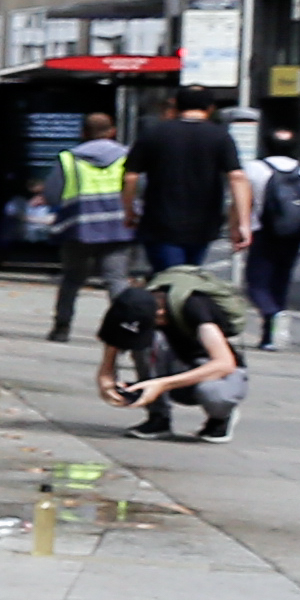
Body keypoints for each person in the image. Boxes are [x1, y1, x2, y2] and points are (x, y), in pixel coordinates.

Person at [97, 265, 256, 440]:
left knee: (214, 394)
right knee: (147, 343)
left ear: (161, 311)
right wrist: (106, 380)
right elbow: (113, 344)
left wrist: (161, 384)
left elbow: (224, 364)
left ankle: (220, 419)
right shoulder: (132, 304)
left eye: (158, 320)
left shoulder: (194, 306)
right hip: (176, 364)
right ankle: (158, 418)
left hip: (211, 367)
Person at [126, 86, 252, 274]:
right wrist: (243, 223)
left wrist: (129, 210)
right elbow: (237, 177)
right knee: (190, 278)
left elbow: (131, 176)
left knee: (169, 279)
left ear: (176, 105)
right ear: (210, 108)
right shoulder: (220, 136)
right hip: (204, 224)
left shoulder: (154, 133)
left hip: (160, 221)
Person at [45, 113, 134, 340]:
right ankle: (127, 327)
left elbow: (53, 195)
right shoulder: (127, 157)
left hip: (78, 228)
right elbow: (139, 188)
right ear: (112, 131)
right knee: (116, 279)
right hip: (118, 228)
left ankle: (61, 328)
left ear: (83, 133)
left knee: (72, 279)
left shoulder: (68, 159)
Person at [250, 129, 300, 348]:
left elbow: (242, 202)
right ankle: (271, 333)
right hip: (295, 233)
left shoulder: (255, 168)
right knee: (281, 281)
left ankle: (272, 315)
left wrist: (238, 227)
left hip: (263, 231)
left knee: (256, 283)